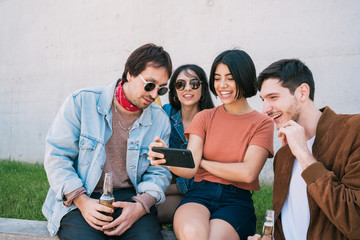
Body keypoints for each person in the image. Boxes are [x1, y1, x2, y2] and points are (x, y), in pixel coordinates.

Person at [42, 43, 173, 240]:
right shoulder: (81, 102)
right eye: (149, 85)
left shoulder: (160, 120)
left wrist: (140, 206)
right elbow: (57, 157)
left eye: (161, 90)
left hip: (132, 198)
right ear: (130, 73)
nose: (154, 95)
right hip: (82, 194)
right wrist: (82, 201)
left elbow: (159, 171)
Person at [149, 49, 274, 240]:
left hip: (236, 200)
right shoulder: (204, 117)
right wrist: (165, 158)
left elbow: (247, 173)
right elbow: (190, 168)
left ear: (244, 77)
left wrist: (202, 163)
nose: (222, 85)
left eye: (229, 78)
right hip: (199, 194)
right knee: (192, 234)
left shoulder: (262, 123)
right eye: (217, 78)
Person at [248, 59, 360, 239]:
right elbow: (288, 218)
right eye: (263, 100)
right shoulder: (284, 154)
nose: (265, 109)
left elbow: (355, 222)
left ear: (302, 92)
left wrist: (304, 154)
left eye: (273, 97)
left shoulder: (353, 131)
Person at [157, 64, 215, 224]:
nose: (187, 88)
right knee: (146, 211)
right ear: (174, 91)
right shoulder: (165, 115)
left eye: (194, 83)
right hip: (170, 185)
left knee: (154, 212)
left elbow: (202, 173)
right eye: (180, 84)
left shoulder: (213, 121)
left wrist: (163, 190)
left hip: (202, 191)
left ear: (203, 88)